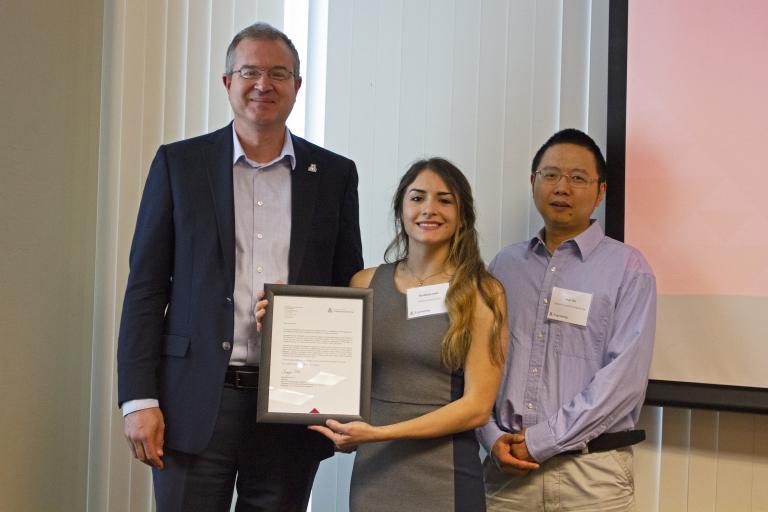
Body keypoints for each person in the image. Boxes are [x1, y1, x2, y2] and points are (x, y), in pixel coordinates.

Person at [117, 22, 363, 512]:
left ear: (296, 86)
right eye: (249, 71)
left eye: (279, 73)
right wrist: (139, 400)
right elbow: (146, 288)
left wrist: (341, 401)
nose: (263, 84)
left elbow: (345, 290)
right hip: (193, 400)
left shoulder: (333, 174)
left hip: (293, 406)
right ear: (227, 82)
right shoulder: (179, 165)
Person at [307, 157, 509, 512]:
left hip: (444, 478)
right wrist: (274, 327)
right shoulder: (365, 283)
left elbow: (477, 409)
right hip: (374, 474)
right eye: (417, 198)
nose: (429, 209)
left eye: (445, 200)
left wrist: (381, 433)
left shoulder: (482, 292)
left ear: (463, 214)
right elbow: (338, 375)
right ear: (400, 208)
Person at [478, 129, 656, 511]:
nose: (562, 187)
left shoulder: (629, 268)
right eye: (551, 175)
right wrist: (490, 436)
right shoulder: (504, 266)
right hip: (506, 469)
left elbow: (622, 381)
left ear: (601, 191)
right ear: (533, 182)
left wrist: (541, 441)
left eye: (578, 178)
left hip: (591, 475)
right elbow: (478, 362)